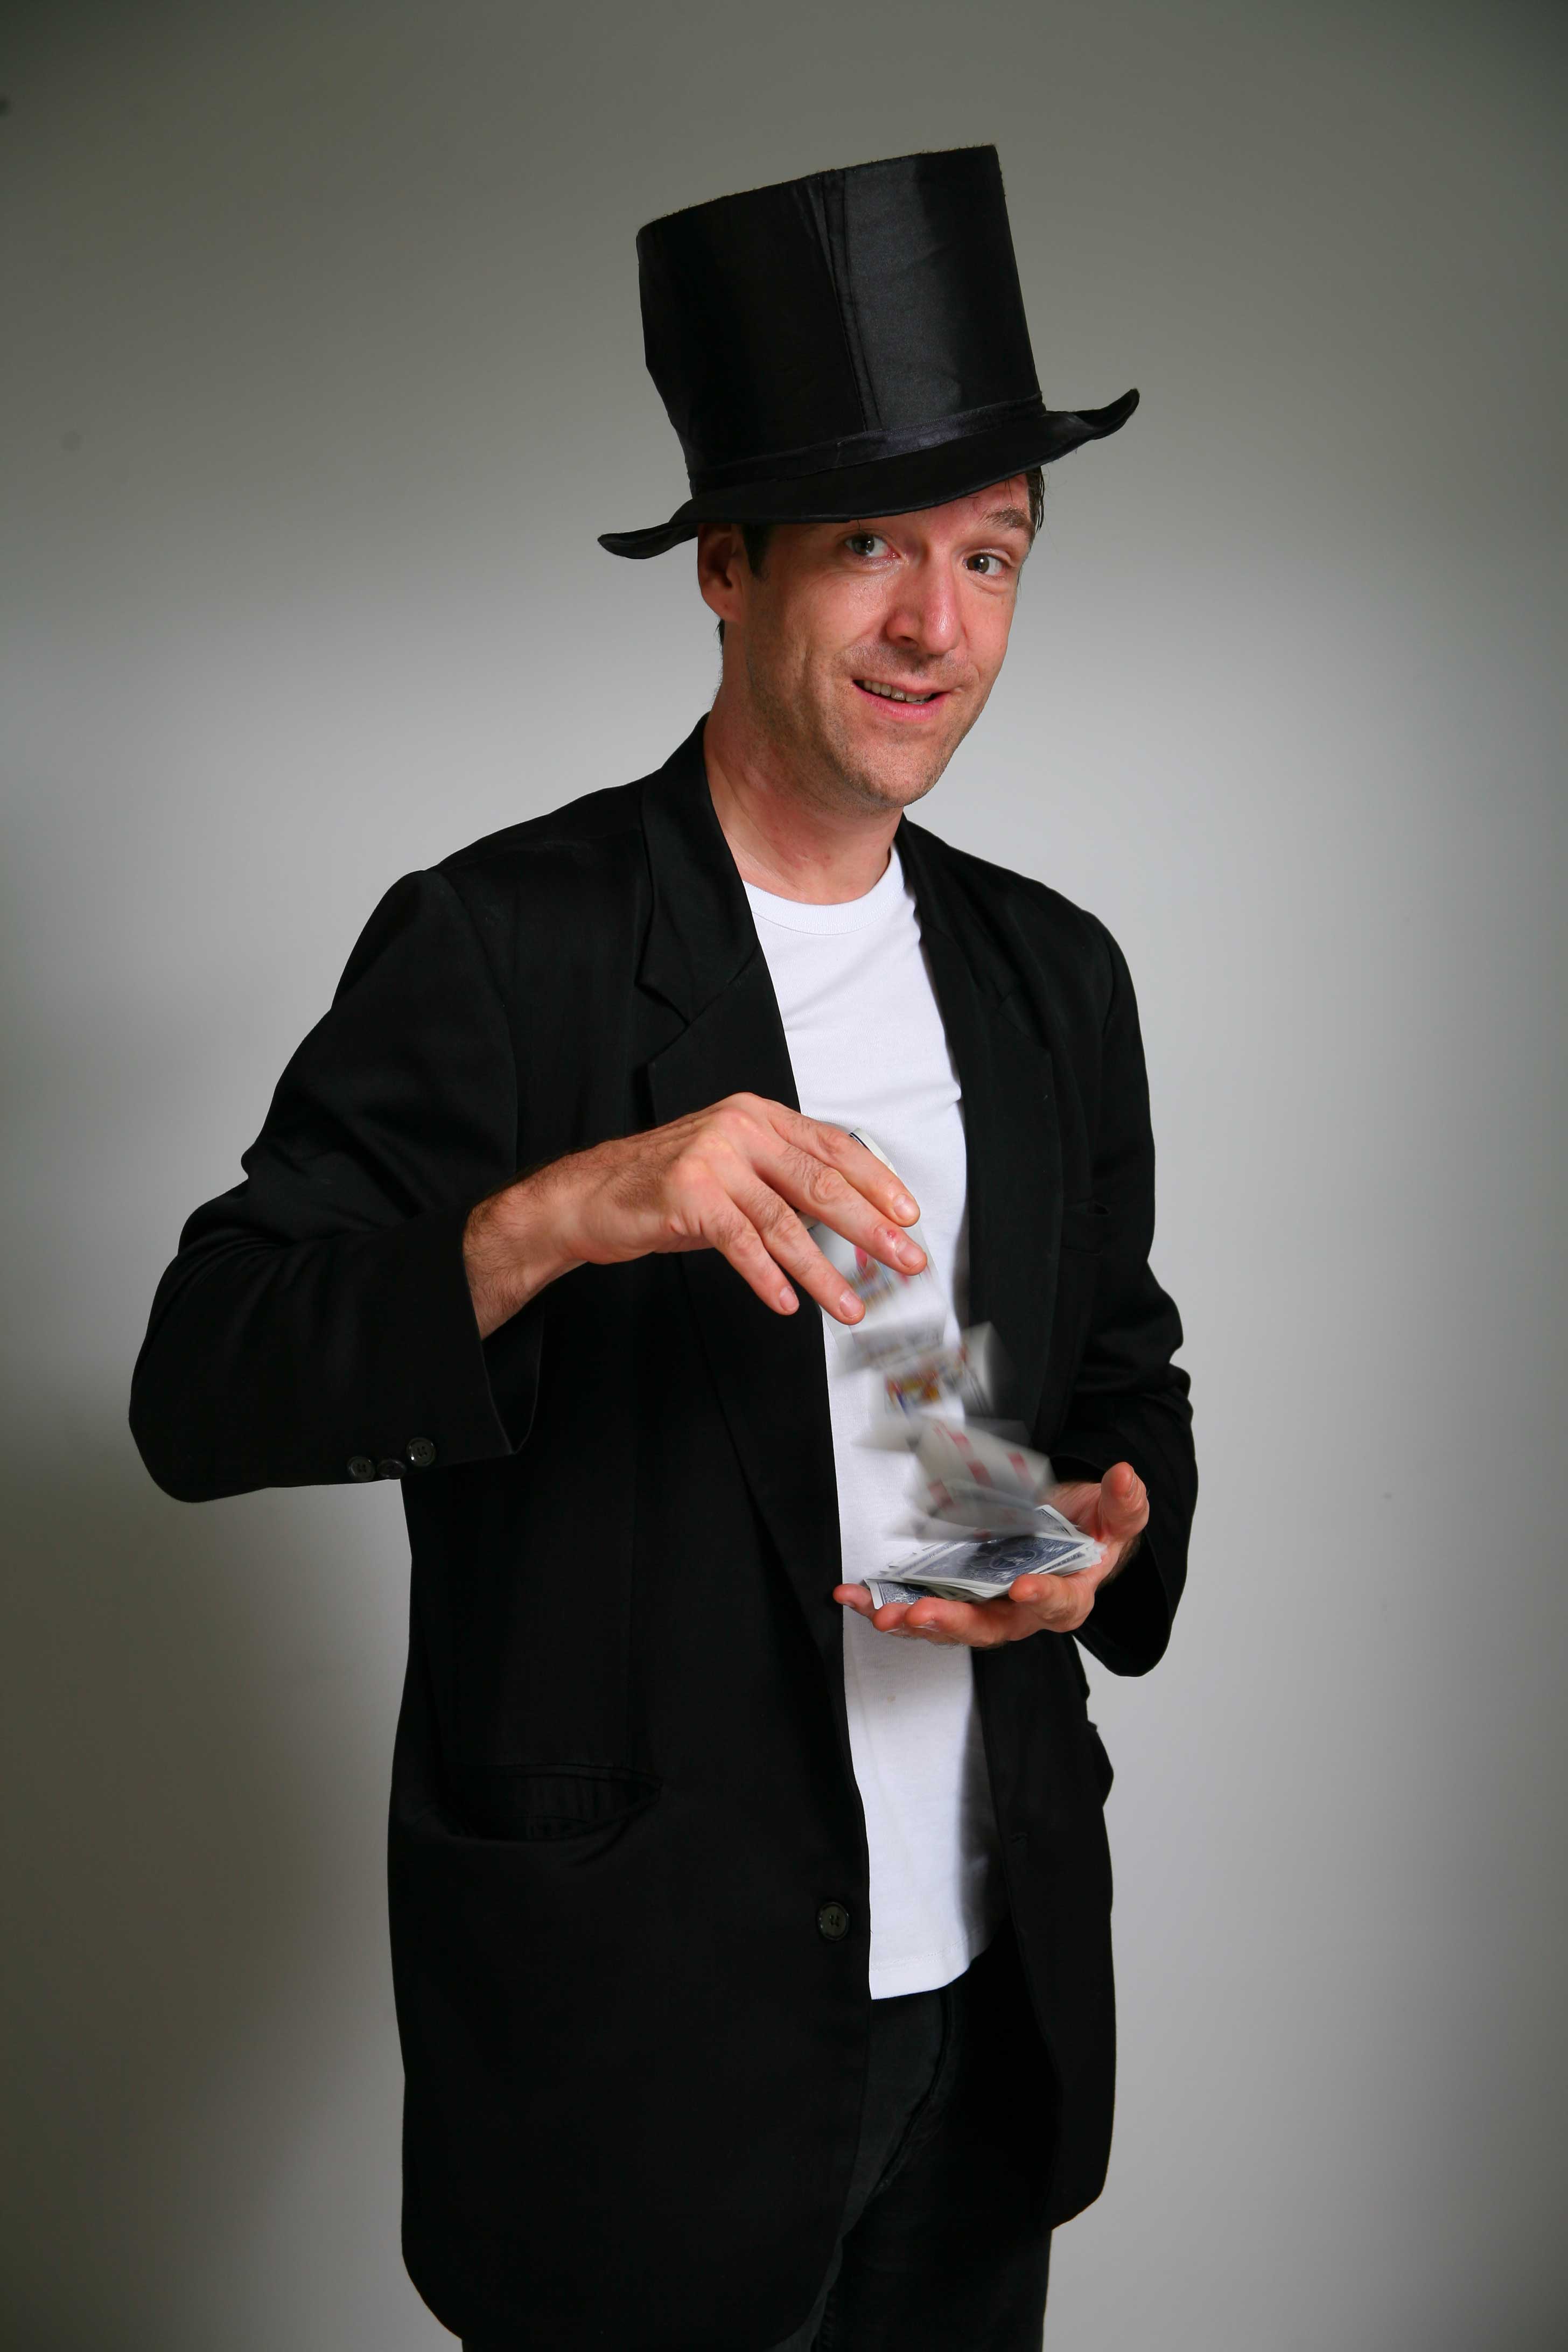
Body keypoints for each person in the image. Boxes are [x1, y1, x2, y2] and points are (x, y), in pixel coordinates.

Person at [131, 145, 1196, 2351]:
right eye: (870, 546)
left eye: (990, 553)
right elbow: (202, 1379)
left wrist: (1098, 1534)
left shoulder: (1051, 975)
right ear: (724, 566)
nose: (937, 626)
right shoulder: (497, 943)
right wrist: (565, 1209)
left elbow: (1113, 1383)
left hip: (986, 1999)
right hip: (632, 2046)